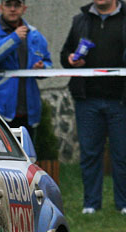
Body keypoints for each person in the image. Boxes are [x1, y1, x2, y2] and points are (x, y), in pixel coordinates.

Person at [60, 0, 126, 215]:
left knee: (122, 155)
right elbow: (65, 54)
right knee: (89, 154)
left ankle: (123, 204)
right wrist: (70, 59)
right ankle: (91, 204)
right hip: (87, 100)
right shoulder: (80, 20)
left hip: (121, 101)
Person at [0, 0, 52, 140]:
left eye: (17, 5)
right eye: (8, 5)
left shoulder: (34, 34)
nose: (12, 9)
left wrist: (42, 68)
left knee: (26, 153)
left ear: (24, 8)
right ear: (1, 7)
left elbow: (48, 63)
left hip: (28, 112)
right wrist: (14, 38)